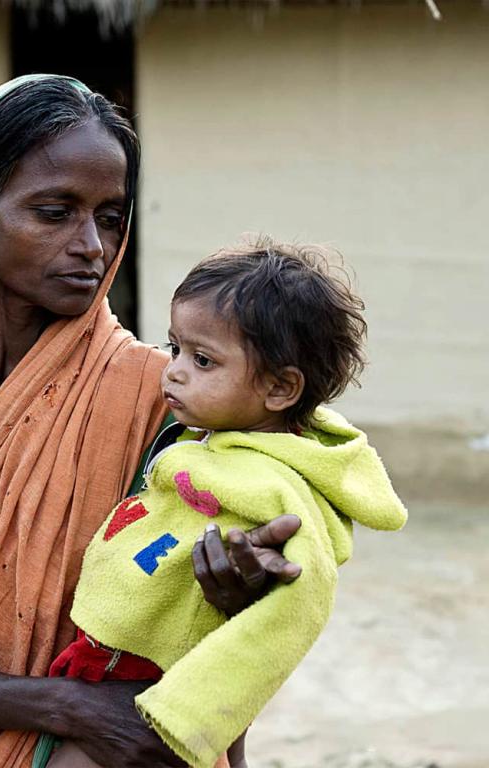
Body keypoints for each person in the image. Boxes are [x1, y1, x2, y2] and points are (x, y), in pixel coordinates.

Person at [0, 75, 303, 768]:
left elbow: (204, 628)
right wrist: (67, 705)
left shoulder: (158, 393)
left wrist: (237, 587)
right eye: (55, 212)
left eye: (110, 217)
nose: (92, 246)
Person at [39, 241, 407, 768]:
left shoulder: (278, 486)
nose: (174, 372)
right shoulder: (213, 442)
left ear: (280, 389)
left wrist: (189, 718)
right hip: (110, 659)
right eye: (175, 350)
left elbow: (302, 603)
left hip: (153, 689)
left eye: (203, 359)